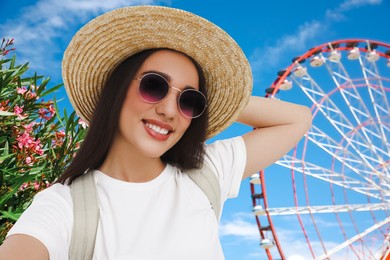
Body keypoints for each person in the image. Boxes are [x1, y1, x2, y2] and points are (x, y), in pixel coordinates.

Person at [0, 5, 312, 260]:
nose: (169, 110)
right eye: (154, 86)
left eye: (189, 100)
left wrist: (218, 96)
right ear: (118, 89)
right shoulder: (63, 205)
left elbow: (296, 119)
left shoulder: (205, 174)